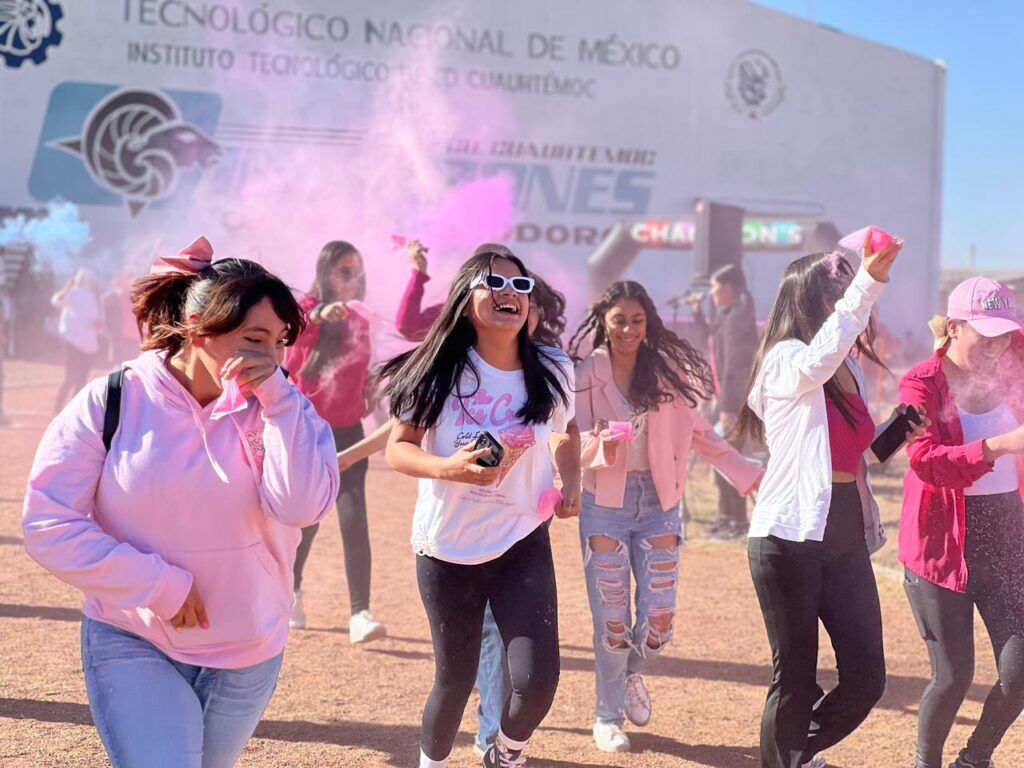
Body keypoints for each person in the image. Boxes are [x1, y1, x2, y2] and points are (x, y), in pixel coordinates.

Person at [22, 237, 340, 768]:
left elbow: (300, 508)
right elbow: (47, 523)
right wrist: (157, 585)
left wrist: (281, 403)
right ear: (198, 329)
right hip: (133, 638)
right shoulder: (112, 401)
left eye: (281, 342)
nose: (271, 356)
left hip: (248, 650)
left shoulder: (286, 409)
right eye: (254, 338)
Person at [341, 266, 569, 757]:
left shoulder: (553, 368)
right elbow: (399, 448)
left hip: (521, 538)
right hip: (448, 546)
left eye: (521, 285)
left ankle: (505, 751)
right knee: (455, 678)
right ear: (467, 300)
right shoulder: (439, 368)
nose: (510, 293)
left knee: (538, 679)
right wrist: (449, 468)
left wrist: (571, 481)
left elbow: (564, 432)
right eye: (495, 283)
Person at [735, 237, 923, 768]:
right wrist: (868, 281)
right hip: (786, 537)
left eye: (849, 288)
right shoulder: (785, 360)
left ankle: (792, 751)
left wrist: (897, 431)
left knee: (867, 677)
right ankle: (787, 757)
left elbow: (853, 452)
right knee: (793, 674)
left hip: (843, 530)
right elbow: (819, 358)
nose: (847, 297)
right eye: (836, 289)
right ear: (811, 300)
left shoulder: (850, 368)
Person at [570, 280, 763, 752]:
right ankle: (607, 716)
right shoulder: (585, 374)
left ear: (648, 322)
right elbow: (566, 440)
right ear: (603, 323)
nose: (629, 329)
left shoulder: (666, 371)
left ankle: (631, 674)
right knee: (612, 621)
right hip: (605, 506)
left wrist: (748, 474)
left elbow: (699, 432)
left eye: (637, 320)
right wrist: (601, 444)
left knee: (658, 621)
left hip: (661, 505)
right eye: (619, 321)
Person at [899, 277, 1024, 768]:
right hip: (940, 543)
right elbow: (926, 461)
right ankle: (925, 762)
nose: (996, 346)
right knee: (952, 677)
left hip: (1006, 535)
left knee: (1019, 675)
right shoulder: (921, 383)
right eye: (984, 334)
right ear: (953, 328)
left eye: (1005, 335)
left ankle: (974, 760)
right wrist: (1002, 444)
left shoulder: (1015, 365)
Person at [284, 240, 386, 643]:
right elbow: (290, 358)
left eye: (357, 271)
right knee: (307, 519)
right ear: (326, 272)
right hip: (307, 432)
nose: (353, 279)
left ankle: (360, 612)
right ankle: (290, 591)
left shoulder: (361, 318)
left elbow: (359, 372)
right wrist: (320, 318)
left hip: (348, 433)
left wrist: (371, 390)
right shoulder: (304, 310)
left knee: (353, 517)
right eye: (345, 271)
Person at [690, 263, 759, 539]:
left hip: (733, 401)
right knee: (723, 458)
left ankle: (737, 520)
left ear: (729, 288)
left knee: (729, 459)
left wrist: (728, 406)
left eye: (715, 287)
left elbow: (735, 367)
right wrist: (698, 314)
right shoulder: (730, 315)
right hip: (726, 399)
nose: (712, 293)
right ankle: (727, 516)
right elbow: (712, 340)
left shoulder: (738, 318)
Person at [52, 267, 101, 413]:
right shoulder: (73, 293)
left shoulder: (92, 298)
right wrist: (67, 288)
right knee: (70, 378)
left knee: (81, 380)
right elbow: (56, 301)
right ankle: (57, 411)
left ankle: (73, 413)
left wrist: (98, 325)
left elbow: (95, 321)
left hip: (88, 345)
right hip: (73, 342)